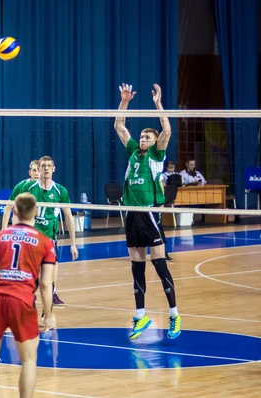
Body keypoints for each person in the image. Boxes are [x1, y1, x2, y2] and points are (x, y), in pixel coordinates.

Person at [114, 83, 181, 340]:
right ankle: (141, 315)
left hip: (150, 213)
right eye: (141, 137)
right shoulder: (133, 151)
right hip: (131, 213)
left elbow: (167, 129)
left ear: (154, 143)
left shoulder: (157, 153)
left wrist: (158, 104)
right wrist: (125, 101)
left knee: (160, 264)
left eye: (146, 137)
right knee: (136, 267)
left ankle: (174, 314)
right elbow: (119, 127)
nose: (142, 139)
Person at [0, 193, 56, 398]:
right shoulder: (45, 242)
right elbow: (46, 284)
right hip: (22, 301)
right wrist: (49, 314)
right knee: (28, 360)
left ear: (15, 211)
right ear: (36, 211)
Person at [1, 156, 79, 307]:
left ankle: (51, 297)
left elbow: (68, 217)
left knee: (51, 268)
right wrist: (8, 233)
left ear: (54, 169)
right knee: (26, 270)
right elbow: (11, 209)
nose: (45, 169)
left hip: (49, 238)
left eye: (49, 166)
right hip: (30, 237)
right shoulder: (26, 187)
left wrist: (73, 244)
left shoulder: (60, 191)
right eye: (42, 167)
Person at [1, 159, 40, 230]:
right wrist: (3, 230)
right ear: (30, 172)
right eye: (34, 170)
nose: (37, 173)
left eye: (39, 170)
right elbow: (8, 208)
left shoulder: (49, 188)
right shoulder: (20, 186)